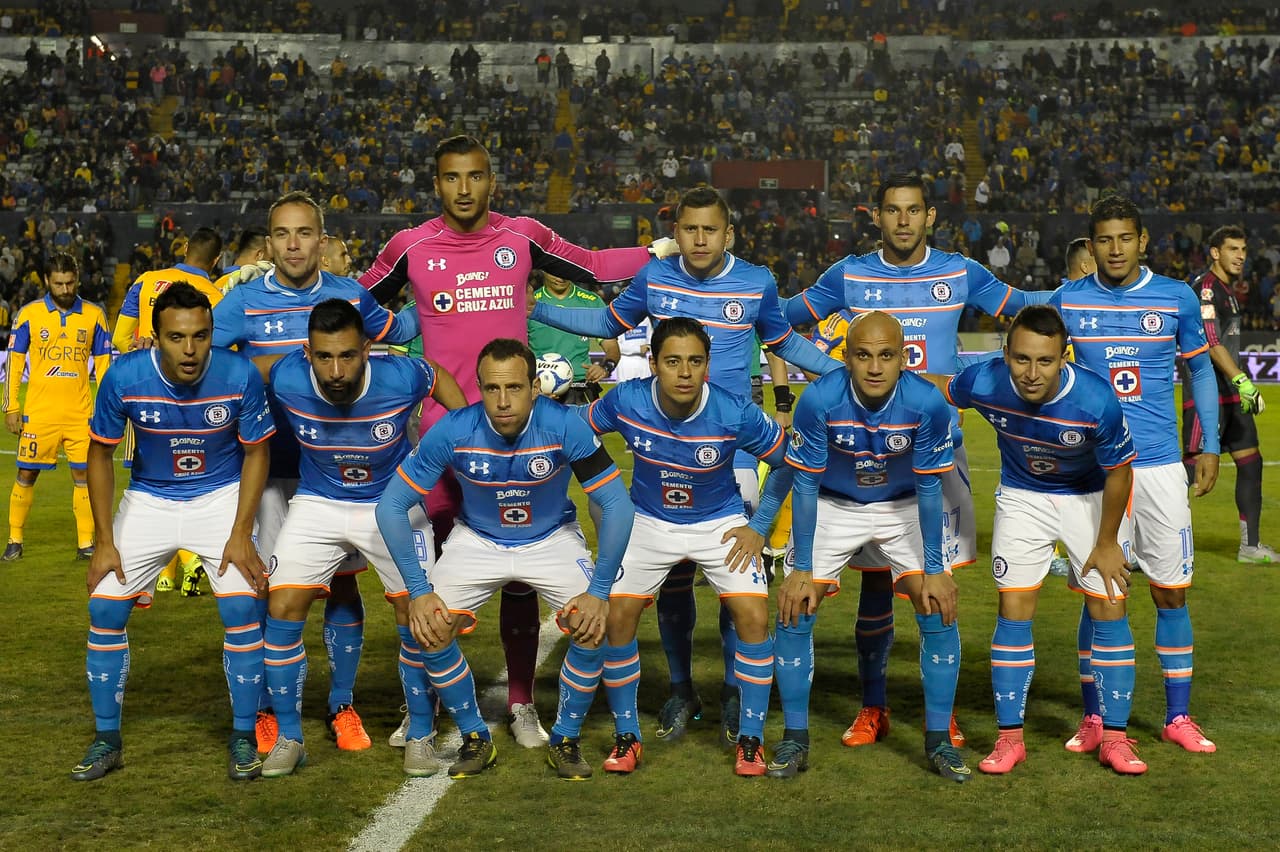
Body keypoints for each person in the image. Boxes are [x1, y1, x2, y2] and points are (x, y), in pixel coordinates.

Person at [360, 135, 672, 748]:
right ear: (437, 184)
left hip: (520, 430)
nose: (464, 189)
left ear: (490, 180)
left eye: (475, 176)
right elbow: (356, 301)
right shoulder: (411, 246)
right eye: (452, 178)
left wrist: (659, 249)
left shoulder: (521, 236)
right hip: (442, 432)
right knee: (431, 578)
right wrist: (379, 318)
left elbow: (593, 266)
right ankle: (421, 707)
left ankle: (523, 701)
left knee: (522, 566)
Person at [527, 186, 840, 745]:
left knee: (733, 583)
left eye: (710, 230)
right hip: (664, 444)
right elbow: (609, 324)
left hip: (736, 445)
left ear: (729, 234)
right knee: (670, 583)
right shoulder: (656, 276)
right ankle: (680, 689)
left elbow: (784, 341)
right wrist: (536, 310)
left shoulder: (757, 282)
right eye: (689, 229)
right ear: (680, 232)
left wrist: (834, 374)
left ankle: (734, 695)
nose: (699, 239)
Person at [782, 172, 1045, 750]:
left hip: (935, 453)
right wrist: (831, 372)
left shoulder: (961, 272)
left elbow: (1023, 308)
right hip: (861, 455)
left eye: (913, 211)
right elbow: (781, 319)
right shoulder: (847, 274)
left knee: (933, 586)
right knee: (875, 589)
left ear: (930, 217)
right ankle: (872, 707)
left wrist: (1085, 293)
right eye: (892, 211)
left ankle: (940, 716)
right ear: (876, 217)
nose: (902, 220)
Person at [214, 191, 422, 756]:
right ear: (268, 242)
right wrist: (280, 365)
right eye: (282, 234)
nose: (294, 245)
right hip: (269, 469)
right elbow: (207, 366)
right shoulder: (243, 301)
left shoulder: (349, 294)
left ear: (322, 241)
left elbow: (394, 335)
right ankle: (265, 712)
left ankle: (342, 705)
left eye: (305, 233)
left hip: (339, 469)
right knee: (270, 591)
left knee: (344, 585)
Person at [376, 339, 635, 780]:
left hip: (551, 538)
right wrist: (419, 592)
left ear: (535, 386)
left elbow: (617, 504)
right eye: (491, 389)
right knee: (431, 627)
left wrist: (599, 591)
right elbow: (391, 505)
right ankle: (476, 737)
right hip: (477, 541)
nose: (502, 401)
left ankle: (566, 739)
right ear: (478, 388)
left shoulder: (565, 426)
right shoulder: (454, 430)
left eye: (514, 387)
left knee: (593, 626)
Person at [71, 282, 274, 782]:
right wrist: (103, 541)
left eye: (201, 336)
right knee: (103, 606)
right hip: (149, 500)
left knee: (242, 606)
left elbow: (256, 452)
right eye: (177, 337)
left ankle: (244, 737)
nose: (190, 349)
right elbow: (99, 453)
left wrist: (242, 531)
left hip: (220, 497)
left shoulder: (239, 374)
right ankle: (106, 740)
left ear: (211, 334)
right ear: (155, 337)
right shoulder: (124, 376)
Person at [932, 305, 1146, 775]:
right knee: (1013, 609)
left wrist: (1107, 542)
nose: (1031, 373)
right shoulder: (984, 381)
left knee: (1109, 605)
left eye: (1045, 361)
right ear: (1005, 353)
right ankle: (1010, 740)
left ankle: (1115, 738)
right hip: (1022, 497)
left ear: (1064, 356)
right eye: (1022, 359)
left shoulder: (1096, 400)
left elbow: (1120, 472)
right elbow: (937, 386)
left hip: (1089, 498)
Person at [258, 300, 466, 778]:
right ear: (306, 352)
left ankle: (420, 734)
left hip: (392, 502)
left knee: (416, 614)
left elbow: (434, 374)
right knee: (283, 606)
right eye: (324, 357)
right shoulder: (287, 374)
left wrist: (470, 426)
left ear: (368, 349)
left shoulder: (398, 376)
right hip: (318, 503)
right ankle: (290, 738)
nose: (335, 370)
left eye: (348, 356)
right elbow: (240, 368)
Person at [762, 311, 968, 782]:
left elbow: (931, 490)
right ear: (847, 357)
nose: (875, 367)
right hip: (835, 504)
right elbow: (806, 486)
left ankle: (938, 741)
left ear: (904, 359)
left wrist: (935, 568)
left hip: (902, 506)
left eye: (886, 356)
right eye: (863, 355)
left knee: (936, 603)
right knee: (796, 605)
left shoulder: (926, 403)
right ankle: (795, 738)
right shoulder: (819, 399)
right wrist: (803, 568)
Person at [1047, 195, 1220, 754]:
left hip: (1162, 468)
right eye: (1104, 239)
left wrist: (1209, 445)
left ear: (1142, 241)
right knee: (1098, 594)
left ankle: (1177, 717)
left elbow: (1200, 370)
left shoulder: (1175, 298)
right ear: (1090, 245)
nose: (1115, 248)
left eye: (1125, 238)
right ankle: (1096, 717)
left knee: (1171, 594)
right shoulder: (1068, 301)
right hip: (1096, 471)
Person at [576, 318, 786, 777]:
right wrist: (605, 492)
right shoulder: (627, 400)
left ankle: (750, 740)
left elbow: (787, 461)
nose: (685, 372)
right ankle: (627, 735)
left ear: (708, 366)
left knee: (753, 614)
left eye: (695, 361)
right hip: (649, 521)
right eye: (673, 361)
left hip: (720, 522)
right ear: (653, 364)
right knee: (617, 616)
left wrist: (760, 526)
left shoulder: (733, 410)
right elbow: (577, 433)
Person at [112, 227, 226, 594]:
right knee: (191, 478)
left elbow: (119, 338)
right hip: (195, 399)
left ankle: (160, 572)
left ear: (185, 248)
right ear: (216, 260)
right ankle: (193, 559)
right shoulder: (216, 296)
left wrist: (143, 347)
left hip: (144, 391)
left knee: (148, 481)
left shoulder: (146, 282)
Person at [3, 253, 111, 561]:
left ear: (77, 279)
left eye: (70, 282)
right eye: (59, 283)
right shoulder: (28, 315)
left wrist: (106, 410)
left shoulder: (94, 315)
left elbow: (104, 367)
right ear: (47, 281)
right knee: (26, 474)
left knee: (85, 476)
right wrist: (11, 406)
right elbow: (14, 362)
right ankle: (14, 540)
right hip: (39, 413)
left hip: (81, 414)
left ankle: (86, 544)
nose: (65, 289)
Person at [1179, 225, 1274, 563]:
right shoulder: (1205, 289)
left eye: (1244, 250)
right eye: (1233, 249)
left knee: (1251, 463)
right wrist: (1242, 380)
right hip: (1208, 395)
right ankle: (1143, 544)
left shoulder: (1229, 291)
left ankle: (1250, 547)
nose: (1241, 256)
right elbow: (1211, 343)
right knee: (1187, 474)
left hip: (1231, 397)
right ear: (1215, 253)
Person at [528, 271, 621, 404]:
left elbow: (611, 346)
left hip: (581, 389)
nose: (560, 276)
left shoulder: (591, 302)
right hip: (540, 390)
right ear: (543, 270)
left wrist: (605, 367)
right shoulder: (530, 302)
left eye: (564, 270)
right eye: (554, 271)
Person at [213, 226, 273, 293]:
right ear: (259, 255)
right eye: (271, 260)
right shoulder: (250, 287)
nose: (272, 265)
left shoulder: (217, 284)